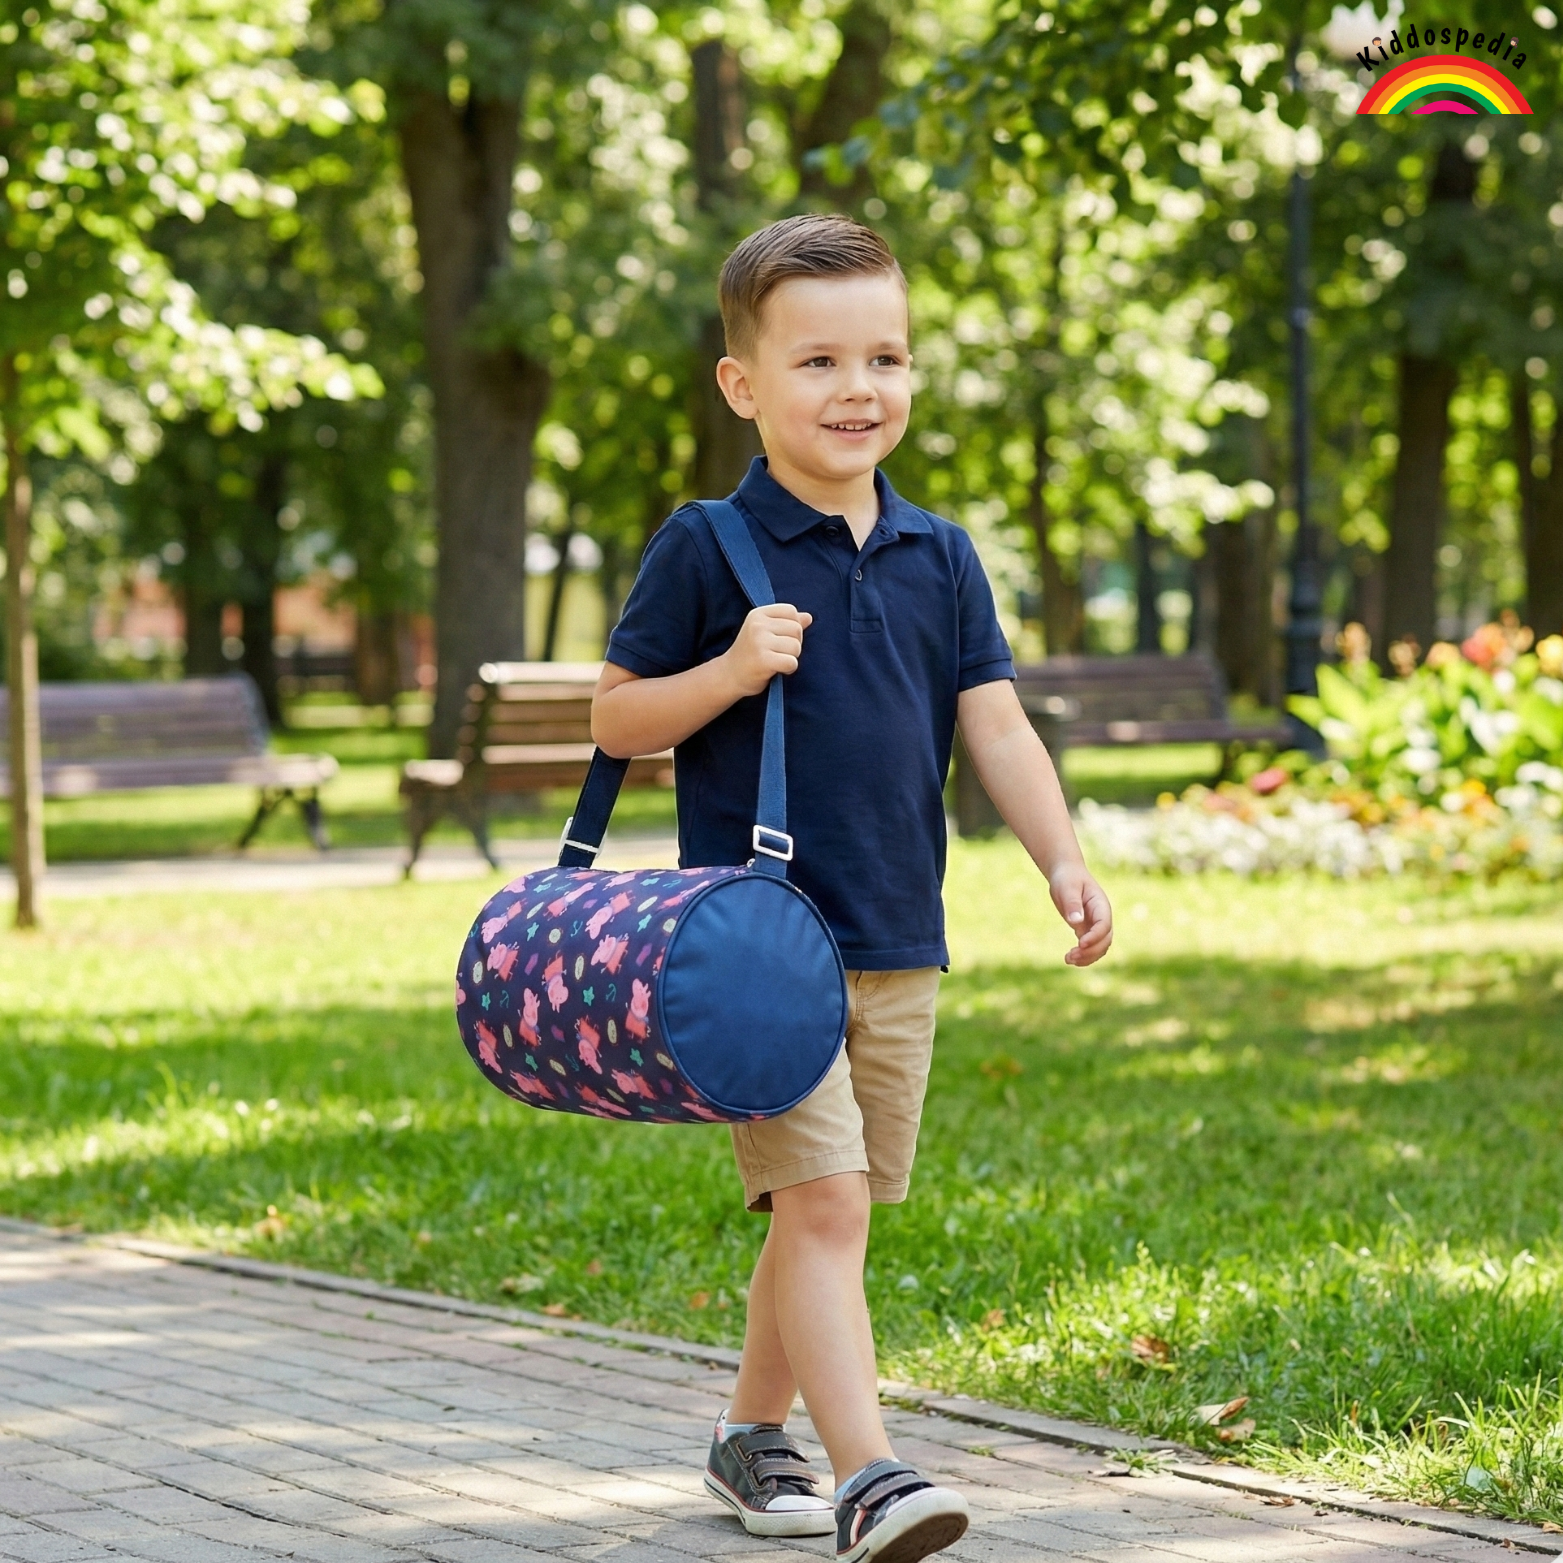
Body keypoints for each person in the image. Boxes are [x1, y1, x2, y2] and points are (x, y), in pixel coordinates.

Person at [591, 213, 1113, 1563]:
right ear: (743, 384)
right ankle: (869, 1471)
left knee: (837, 1204)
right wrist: (728, 671)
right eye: (818, 361)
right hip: (761, 945)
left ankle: (748, 1434)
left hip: (899, 934)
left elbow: (992, 723)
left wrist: (1058, 854)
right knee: (819, 1202)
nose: (857, 388)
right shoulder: (710, 546)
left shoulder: (939, 554)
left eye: (884, 356)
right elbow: (615, 719)